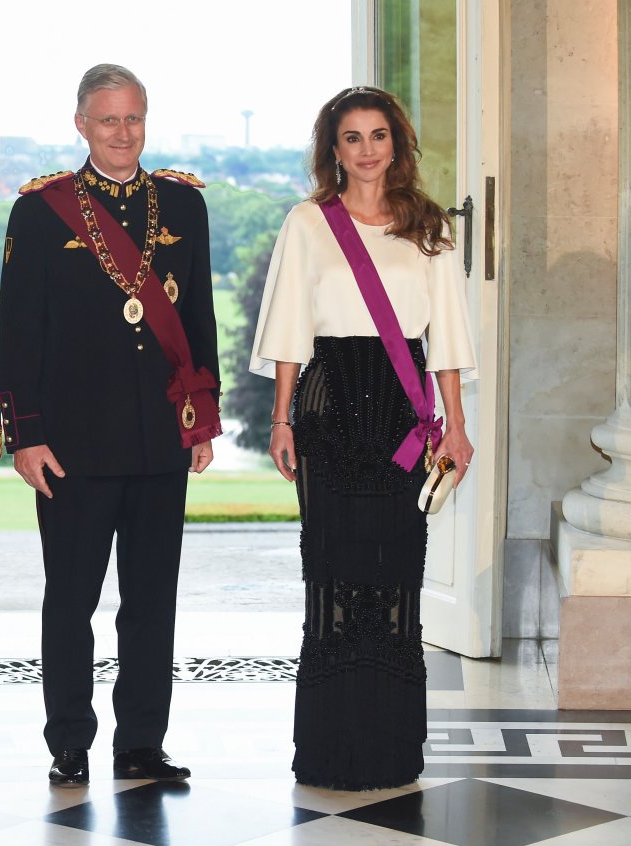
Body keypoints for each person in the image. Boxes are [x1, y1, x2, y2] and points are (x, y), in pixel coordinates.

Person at [0, 64, 220, 787]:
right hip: (72, 446)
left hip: (159, 438)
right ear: (81, 125)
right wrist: (25, 435)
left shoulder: (183, 206)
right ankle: (69, 742)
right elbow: (18, 334)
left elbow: (198, 320)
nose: (122, 134)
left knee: (152, 604)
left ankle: (141, 745)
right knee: (71, 602)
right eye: (107, 120)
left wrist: (201, 420)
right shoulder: (42, 212)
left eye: (134, 119)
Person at [250, 85, 477, 790]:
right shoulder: (307, 223)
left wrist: (458, 426)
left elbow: (447, 336)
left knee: (397, 571)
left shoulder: (429, 224)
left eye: (379, 135)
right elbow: (289, 326)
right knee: (332, 571)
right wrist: (281, 418)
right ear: (334, 149)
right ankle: (329, 746)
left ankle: (389, 746)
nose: (368, 149)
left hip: (404, 405)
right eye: (353, 137)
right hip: (329, 399)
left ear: (397, 144)